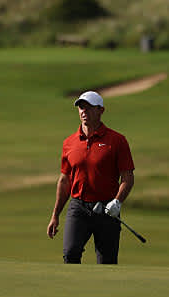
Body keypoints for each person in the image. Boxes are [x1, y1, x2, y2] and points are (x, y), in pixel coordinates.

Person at [47, 90, 135, 264]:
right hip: (78, 207)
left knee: (107, 262)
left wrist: (117, 202)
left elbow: (127, 177)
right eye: (80, 107)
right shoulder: (69, 143)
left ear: (100, 110)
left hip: (107, 209)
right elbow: (65, 180)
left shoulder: (117, 141)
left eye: (88, 107)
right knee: (70, 254)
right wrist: (55, 214)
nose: (83, 111)